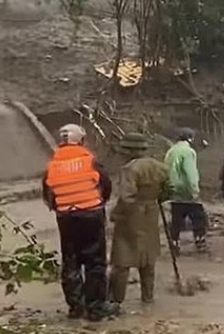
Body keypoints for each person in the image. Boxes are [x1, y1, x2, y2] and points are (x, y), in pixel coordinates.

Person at [43, 124, 118, 321]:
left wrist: (61, 208)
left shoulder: (52, 165)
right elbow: (106, 186)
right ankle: (95, 308)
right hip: (91, 215)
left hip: (66, 218)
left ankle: (76, 307)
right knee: (95, 262)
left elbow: (48, 196)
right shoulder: (89, 161)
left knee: (71, 261)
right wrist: (99, 202)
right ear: (82, 140)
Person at [108, 133, 168, 305]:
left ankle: (115, 301)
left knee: (122, 261)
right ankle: (148, 298)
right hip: (151, 213)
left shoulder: (130, 169)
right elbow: (169, 188)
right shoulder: (158, 166)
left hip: (132, 216)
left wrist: (116, 214)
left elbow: (126, 197)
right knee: (148, 259)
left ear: (128, 151)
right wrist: (158, 199)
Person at [165, 128, 208, 253]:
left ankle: (174, 242)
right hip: (186, 192)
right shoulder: (188, 152)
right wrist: (194, 189)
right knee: (198, 217)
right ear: (190, 138)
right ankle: (200, 241)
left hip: (173, 191)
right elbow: (190, 173)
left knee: (176, 220)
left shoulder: (171, 151)